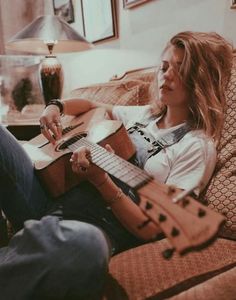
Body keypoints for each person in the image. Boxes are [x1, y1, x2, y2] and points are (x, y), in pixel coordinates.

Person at [0, 31, 233, 300]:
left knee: (86, 246)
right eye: (164, 66)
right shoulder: (143, 114)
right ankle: (39, 240)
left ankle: (38, 244)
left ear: (201, 78)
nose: (166, 75)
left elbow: (154, 229)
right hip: (48, 193)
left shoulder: (196, 145)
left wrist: (102, 181)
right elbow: (89, 104)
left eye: (180, 69)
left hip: (97, 225)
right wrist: (54, 107)